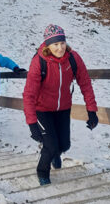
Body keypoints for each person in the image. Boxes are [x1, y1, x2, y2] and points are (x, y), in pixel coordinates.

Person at [22, 25, 98, 186]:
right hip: (42, 109)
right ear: (48, 46)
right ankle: (42, 171)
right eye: (55, 44)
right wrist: (32, 123)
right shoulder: (39, 62)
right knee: (50, 145)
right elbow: (29, 94)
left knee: (64, 144)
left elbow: (85, 83)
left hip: (63, 108)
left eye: (62, 43)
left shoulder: (73, 58)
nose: (60, 48)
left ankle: (55, 153)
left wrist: (91, 110)